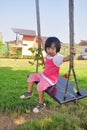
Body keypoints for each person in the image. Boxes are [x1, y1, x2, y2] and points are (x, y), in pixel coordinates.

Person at [20, 37, 76, 113]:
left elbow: (66, 58)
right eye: (48, 48)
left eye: (53, 48)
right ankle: (29, 92)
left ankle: (41, 103)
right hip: (44, 75)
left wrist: (72, 54)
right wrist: (42, 41)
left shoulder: (57, 58)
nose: (50, 51)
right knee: (31, 76)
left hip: (51, 79)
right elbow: (44, 47)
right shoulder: (48, 54)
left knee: (40, 86)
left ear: (57, 48)